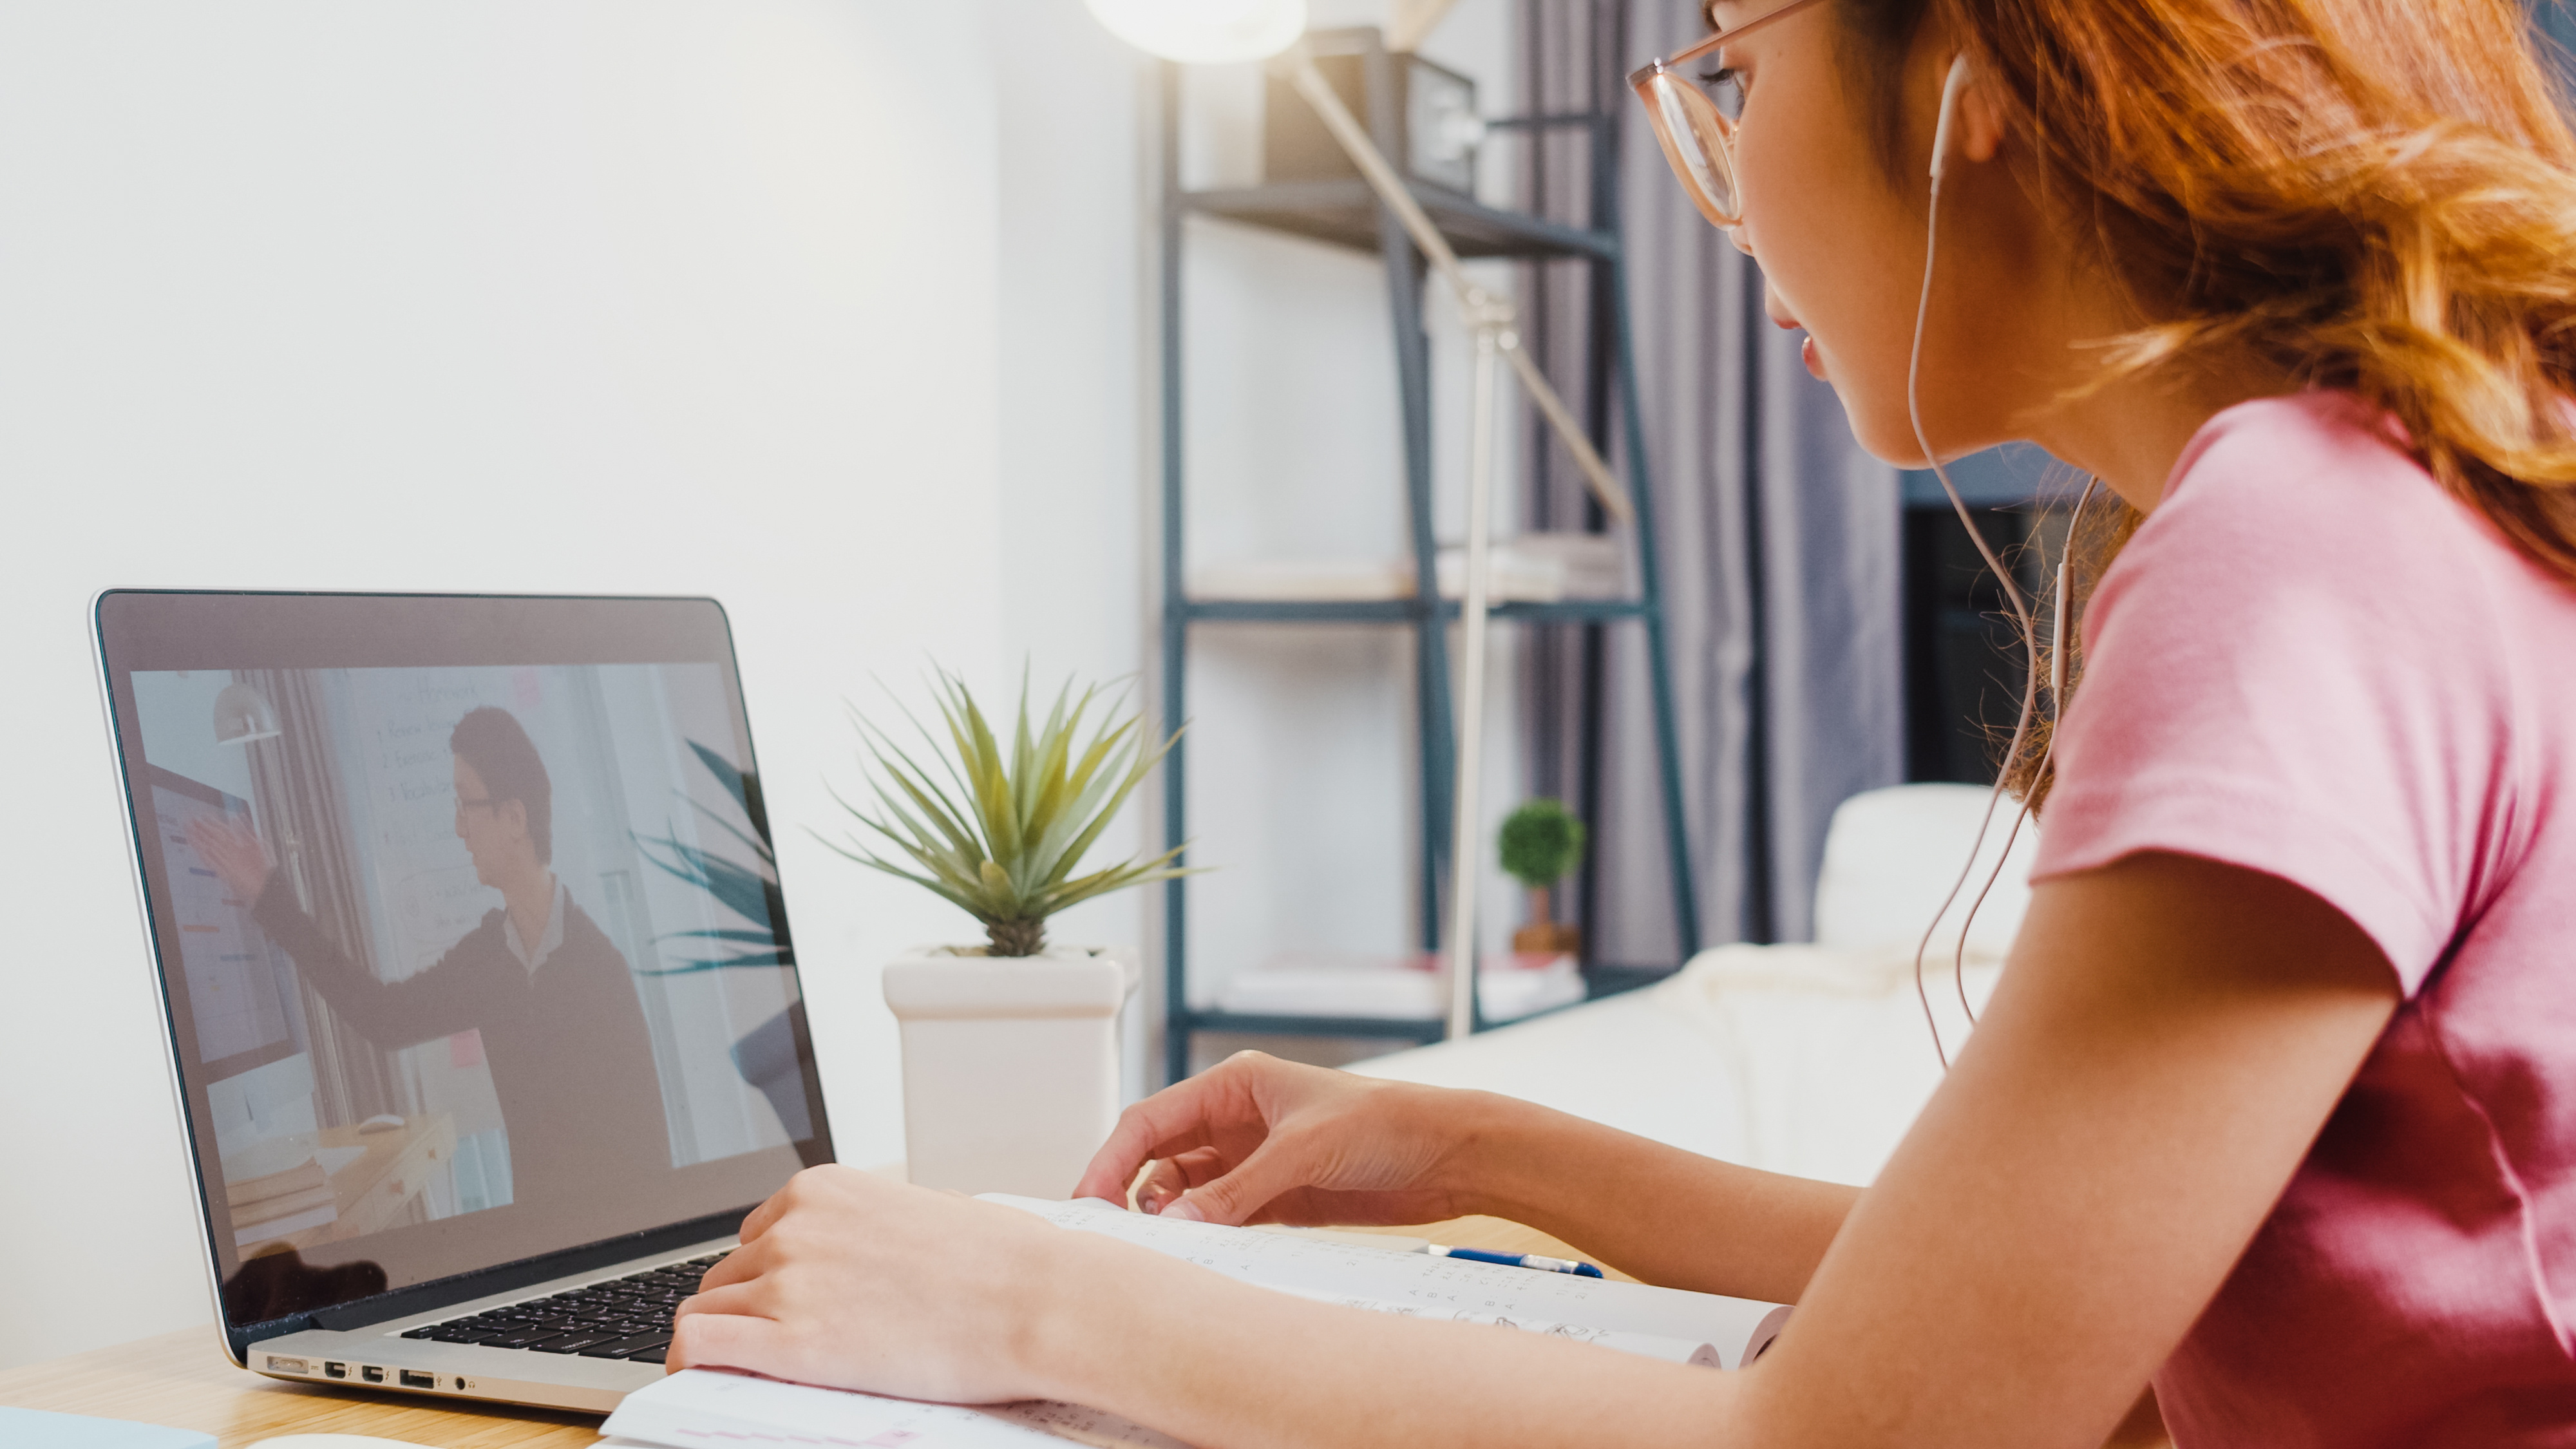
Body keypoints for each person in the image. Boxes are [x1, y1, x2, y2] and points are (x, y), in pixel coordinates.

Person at [663, 1, 2576, 1443]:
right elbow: (2016, 1316)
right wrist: (1485, 1148)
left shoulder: (2295, 552)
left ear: (1975, 77)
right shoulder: (2380, 499)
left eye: (1732, 75)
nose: (1721, 193)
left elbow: (1852, 1437)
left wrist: (1022, 1298)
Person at [193, 705, 670, 1219]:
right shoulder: (489, 959)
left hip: (610, 1244)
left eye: (467, 804)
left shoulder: (600, 969)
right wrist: (271, 898)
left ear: (515, 818)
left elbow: (649, 1153)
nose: (458, 827)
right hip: (541, 1242)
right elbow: (384, 1016)